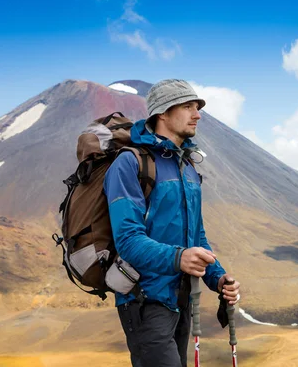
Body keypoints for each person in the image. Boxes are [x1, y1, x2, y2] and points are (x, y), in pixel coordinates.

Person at [103, 79, 241, 367]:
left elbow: (197, 237)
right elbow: (127, 240)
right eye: (188, 106)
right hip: (145, 300)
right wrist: (179, 258)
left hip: (181, 301)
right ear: (162, 113)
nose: (198, 114)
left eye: (198, 107)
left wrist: (218, 278)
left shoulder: (188, 167)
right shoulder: (130, 164)